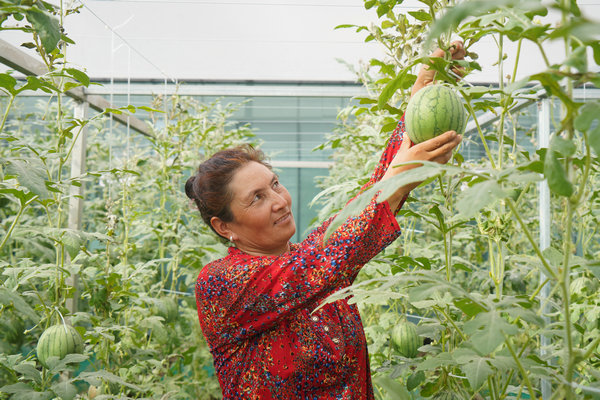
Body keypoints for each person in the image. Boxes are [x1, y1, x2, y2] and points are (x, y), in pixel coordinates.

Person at [185, 42, 466, 399]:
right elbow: (325, 260)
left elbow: (362, 206)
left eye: (274, 185)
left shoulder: (315, 259)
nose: (279, 201)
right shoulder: (220, 285)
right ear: (223, 226)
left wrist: (419, 98)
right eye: (257, 198)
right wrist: (398, 181)